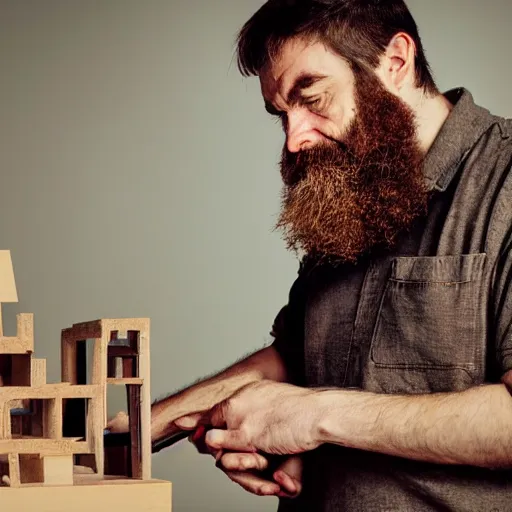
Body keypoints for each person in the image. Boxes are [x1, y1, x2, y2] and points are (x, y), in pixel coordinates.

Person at [108, 0, 512, 509]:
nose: (295, 139)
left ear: (396, 62)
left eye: (314, 99)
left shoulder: (505, 181)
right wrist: (137, 432)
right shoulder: (351, 181)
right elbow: (297, 356)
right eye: (282, 115)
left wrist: (313, 417)